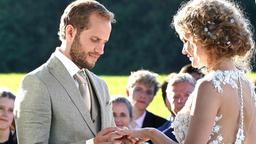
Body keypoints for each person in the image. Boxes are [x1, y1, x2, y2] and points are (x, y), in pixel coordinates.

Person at [122, 0, 256, 143]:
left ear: (203, 39)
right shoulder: (247, 86)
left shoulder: (209, 85)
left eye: (186, 40)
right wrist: (152, 133)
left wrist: (153, 134)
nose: (184, 50)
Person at [14, 0, 125, 143]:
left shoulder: (101, 85)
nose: (100, 50)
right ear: (70, 32)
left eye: (104, 42)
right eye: (95, 39)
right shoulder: (37, 83)